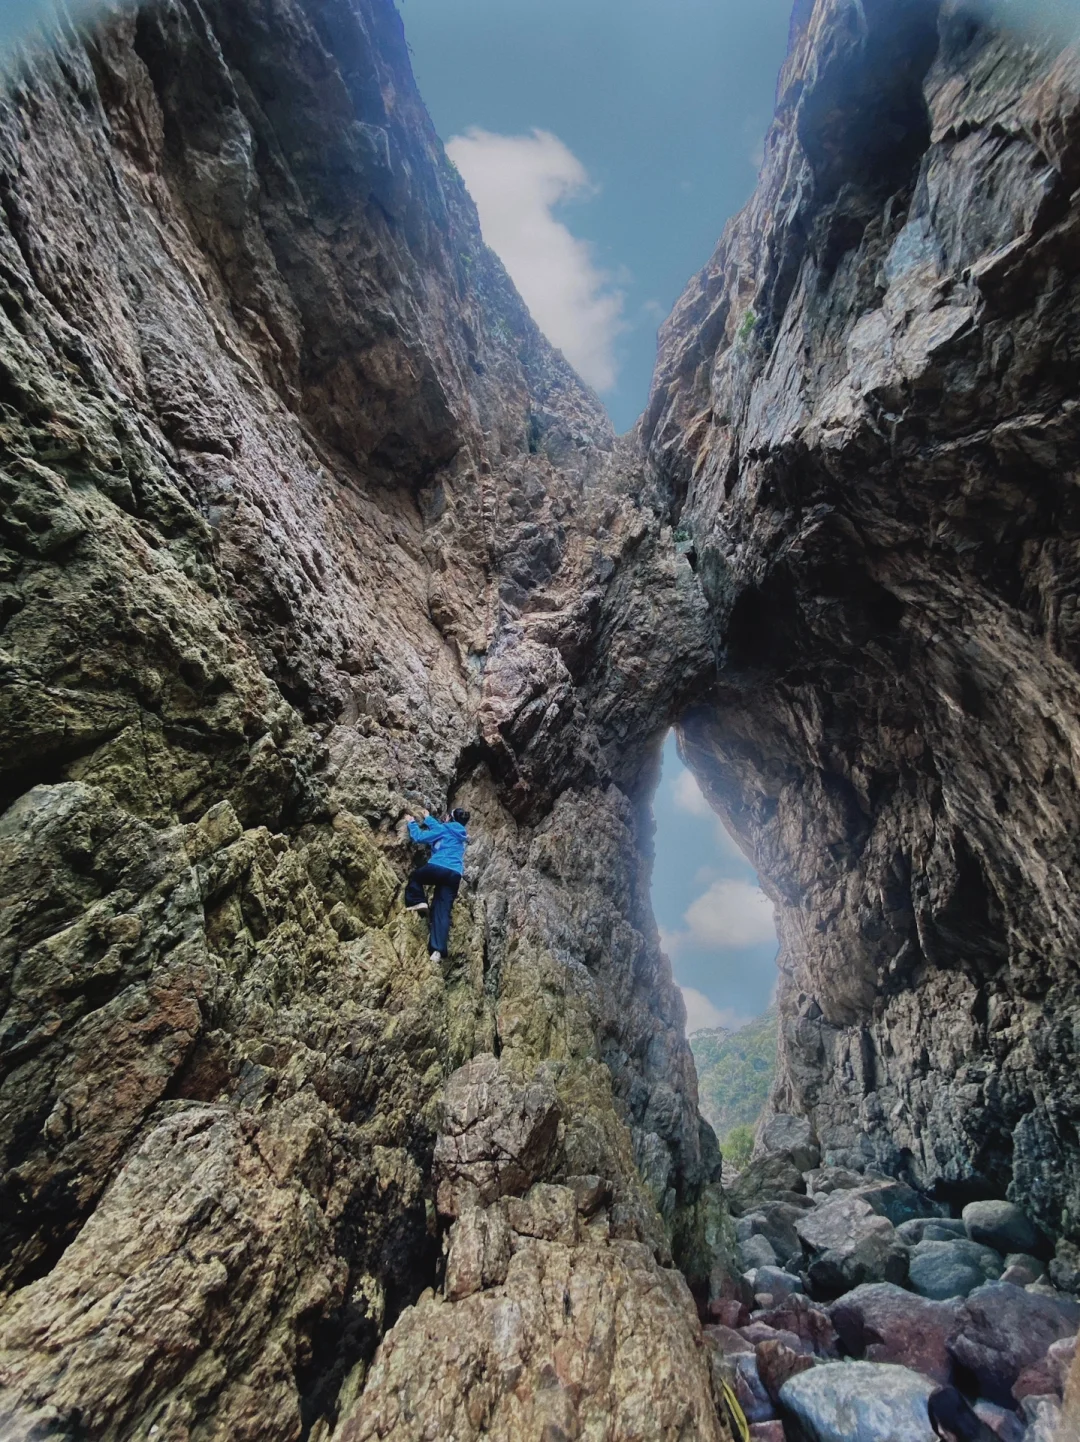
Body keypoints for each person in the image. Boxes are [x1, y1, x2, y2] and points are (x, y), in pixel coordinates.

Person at [403, 807, 470, 962]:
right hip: (454, 875)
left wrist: (412, 823)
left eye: (447, 816)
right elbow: (440, 829)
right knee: (442, 910)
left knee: (416, 877)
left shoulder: (444, 829)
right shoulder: (461, 835)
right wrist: (428, 819)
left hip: (438, 867)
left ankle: (417, 901)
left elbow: (419, 837)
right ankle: (437, 951)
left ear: (449, 819)